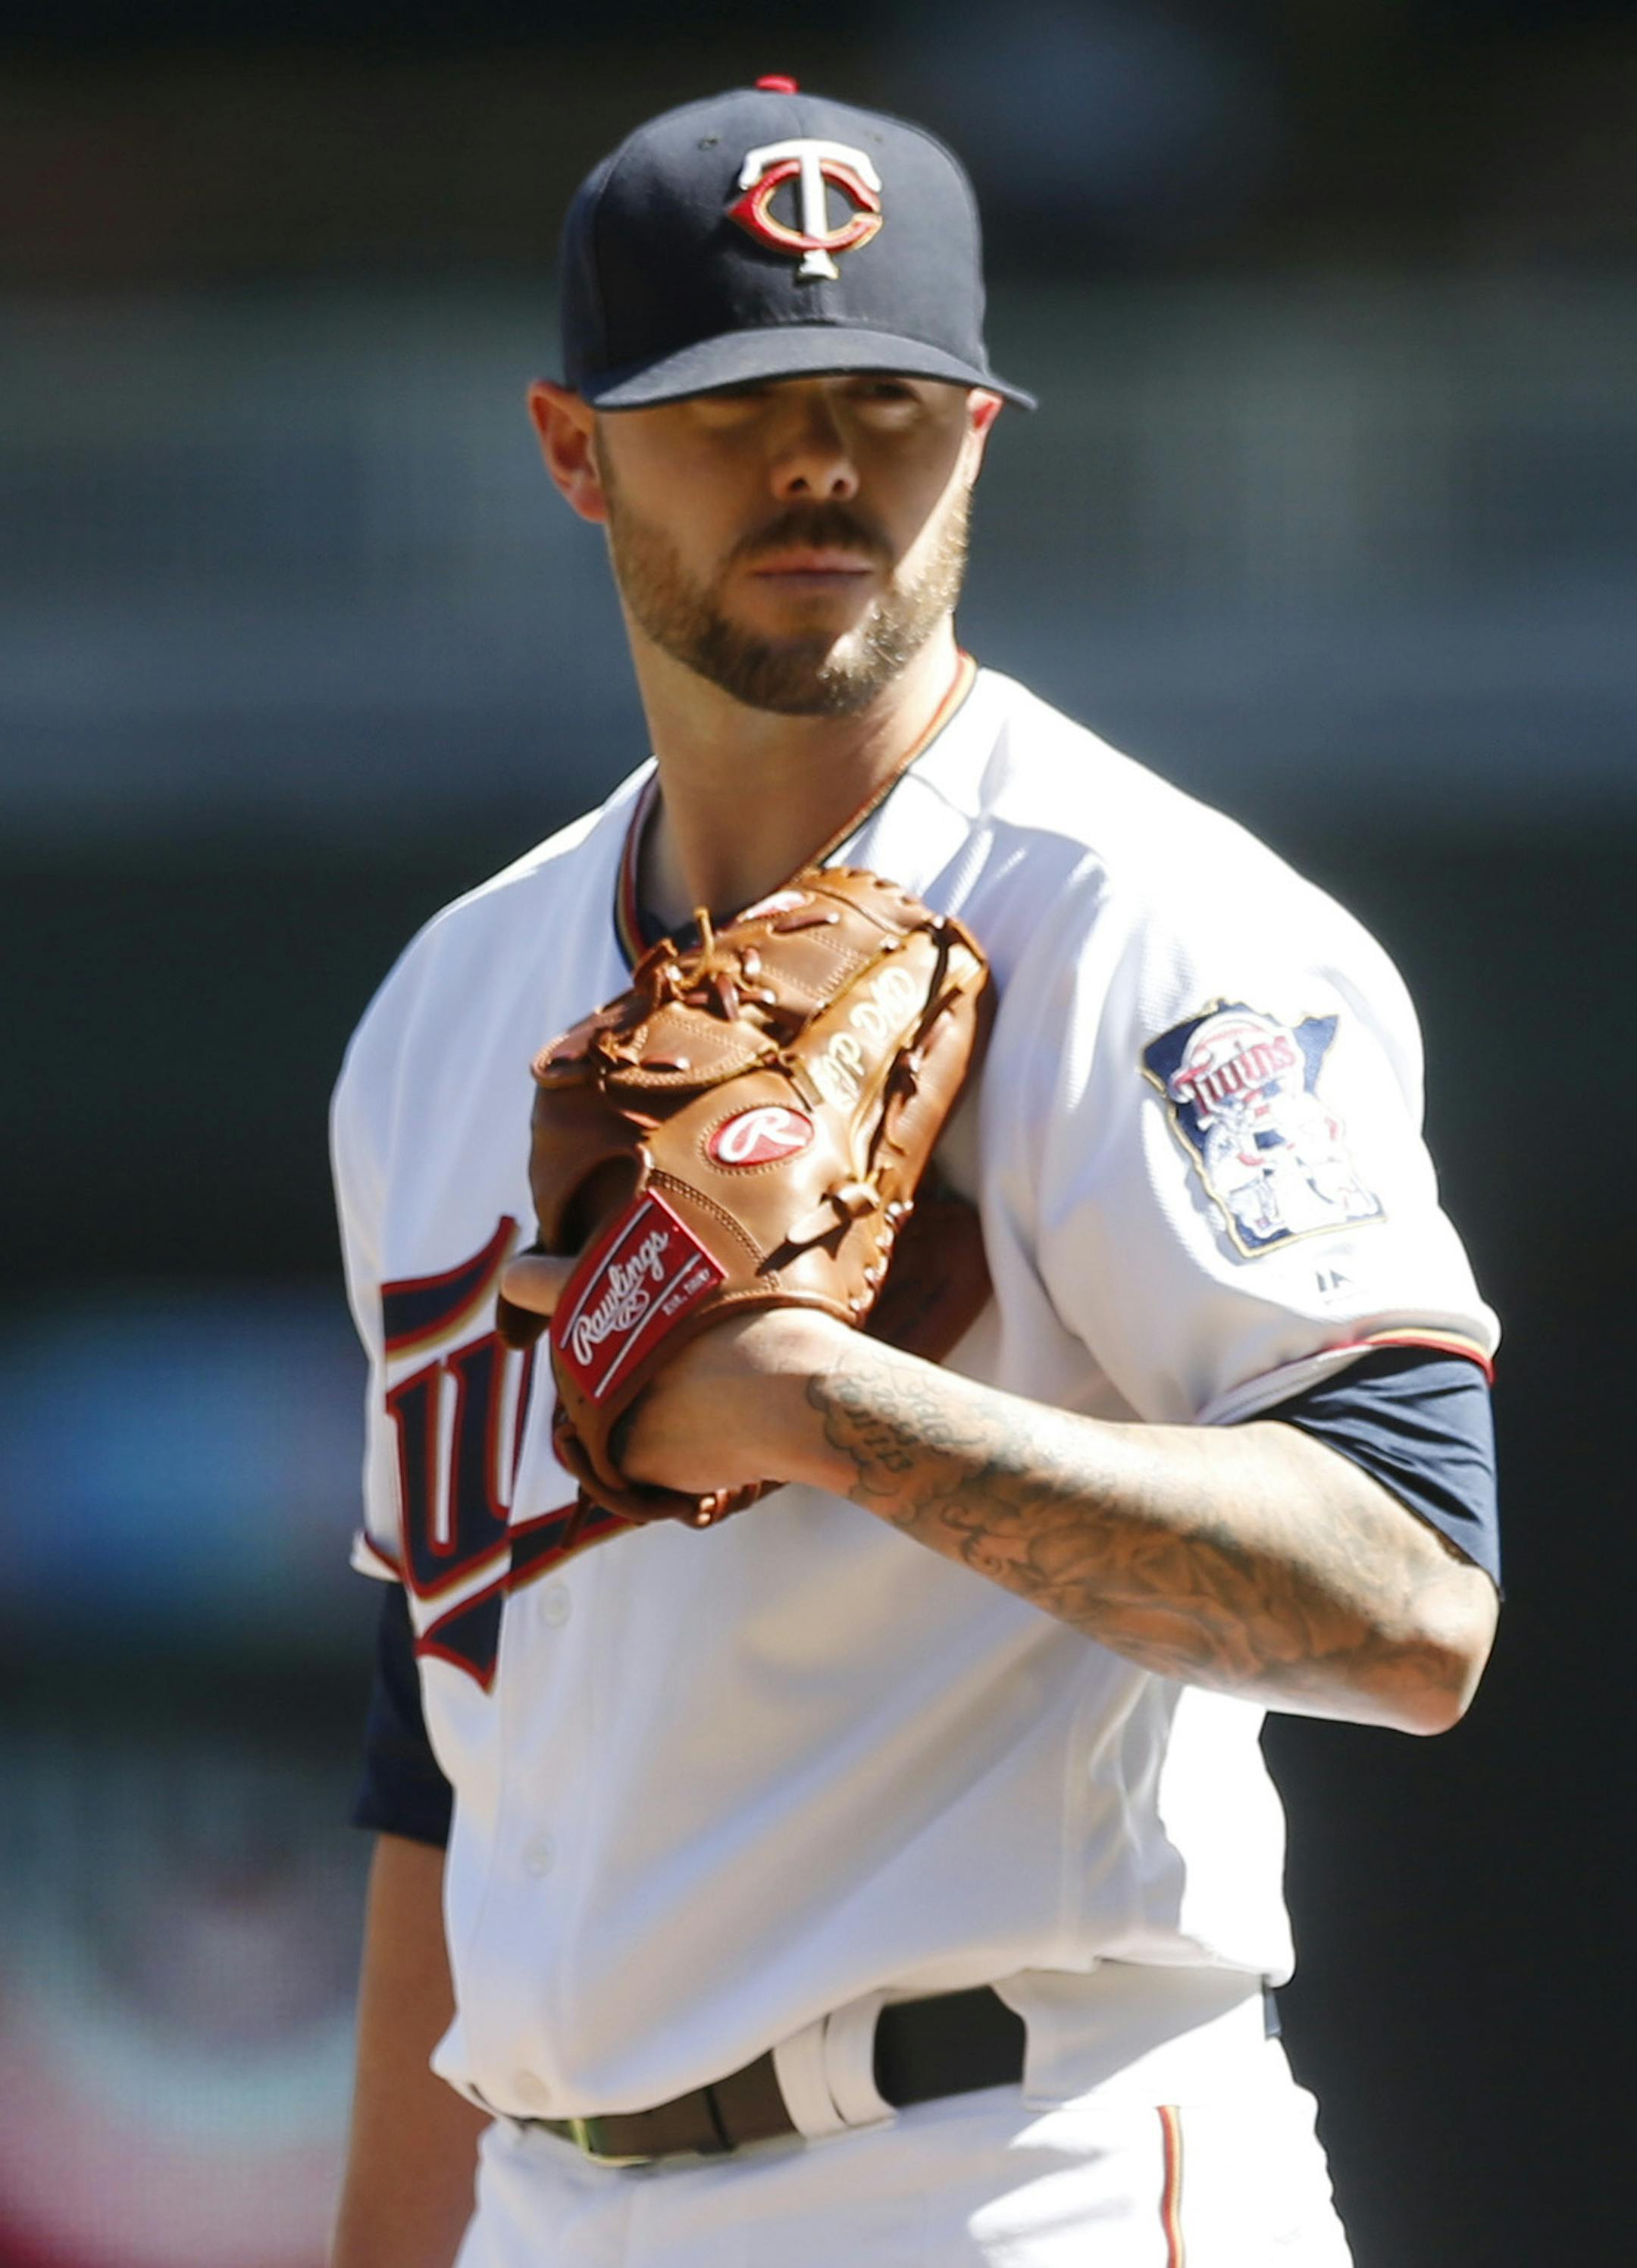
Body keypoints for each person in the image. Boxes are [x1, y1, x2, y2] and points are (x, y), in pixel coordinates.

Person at [328, 80, 1501, 2268]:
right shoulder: (443, 1011)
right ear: (575, 450)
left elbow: (1415, 1588)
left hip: (1013, 2164)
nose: (820, 465)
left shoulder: (1143, 922)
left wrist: (827, 1406)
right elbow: (445, 1743)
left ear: (974, 435)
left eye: (885, 401)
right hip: (548, 2193)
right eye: (735, 405)